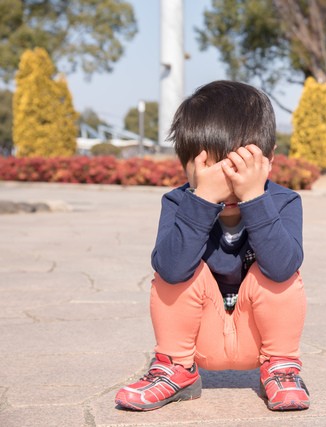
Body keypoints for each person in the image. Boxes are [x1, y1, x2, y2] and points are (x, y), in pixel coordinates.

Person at [115, 80, 309, 412]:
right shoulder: (179, 202)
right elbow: (171, 269)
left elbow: (283, 268)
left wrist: (254, 198)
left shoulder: (283, 201)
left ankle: (282, 369)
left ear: (269, 160)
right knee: (172, 271)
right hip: (197, 341)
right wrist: (203, 199)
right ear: (186, 165)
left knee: (282, 272)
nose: (228, 186)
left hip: (260, 339)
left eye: (239, 171)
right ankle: (175, 370)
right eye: (212, 173)